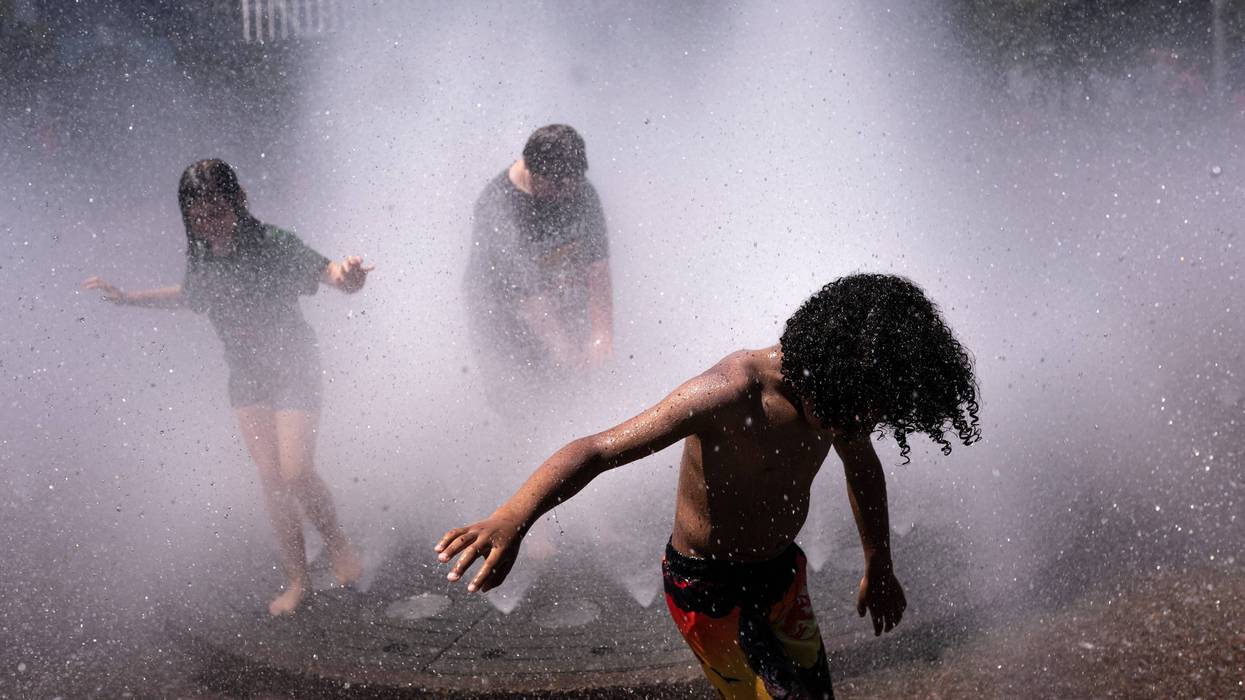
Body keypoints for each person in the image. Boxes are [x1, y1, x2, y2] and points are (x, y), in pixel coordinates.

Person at [436, 274, 981, 699]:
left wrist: (878, 561)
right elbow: (597, 450)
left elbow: (862, 470)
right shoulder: (728, 393)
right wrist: (514, 516)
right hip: (704, 587)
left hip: (780, 576)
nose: (857, 427)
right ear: (828, 371)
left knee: (811, 693)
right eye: (854, 414)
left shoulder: (842, 404)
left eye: (870, 418)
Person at [82, 159, 371, 616]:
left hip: (294, 364)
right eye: (198, 217)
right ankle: (298, 580)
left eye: (217, 211)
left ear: (238, 202)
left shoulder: (272, 244)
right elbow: (190, 295)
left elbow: (329, 274)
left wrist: (348, 275)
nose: (209, 224)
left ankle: (337, 544)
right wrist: (128, 298)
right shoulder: (200, 255)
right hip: (247, 376)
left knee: (296, 472)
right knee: (272, 481)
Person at [463, 124, 613, 405]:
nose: (568, 195)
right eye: (558, 186)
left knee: (579, 390)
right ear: (534, 172)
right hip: (501, 316)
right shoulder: (498, 208)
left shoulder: (578, 190)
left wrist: (601, 334)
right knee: (525, 400)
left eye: (574, 184)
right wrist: (567, 355)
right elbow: (528, 297)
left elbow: (597, 264)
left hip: (555, 295)